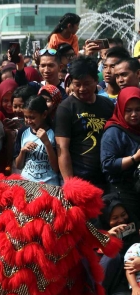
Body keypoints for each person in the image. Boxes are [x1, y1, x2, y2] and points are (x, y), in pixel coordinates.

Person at [54, 56, 114, 189]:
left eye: (87, 83)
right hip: (79, 177)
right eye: (77, 84)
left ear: (96, 80)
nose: (82, 88)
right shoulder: (66, 108)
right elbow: (62, 149)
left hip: (105, 177)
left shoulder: (107, 105)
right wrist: (70, 184)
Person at [101, 87, 140, 216]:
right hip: (124, 192)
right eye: (128, 110)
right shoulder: (113, 132)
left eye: (138, 110)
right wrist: (135, 157)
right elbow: (108, 164)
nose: (134, 114)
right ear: (121, 109)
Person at [14, 96, 59, 185]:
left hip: (48, 185)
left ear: (44, 114)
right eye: (26, 117)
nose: (28, 121)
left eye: (32, 117)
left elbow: (56, 168)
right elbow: (18, 166)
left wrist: (47, 143)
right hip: (26, 184)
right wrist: (23, 151)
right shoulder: (23, 132)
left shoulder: (53, 133)